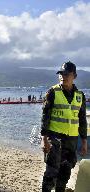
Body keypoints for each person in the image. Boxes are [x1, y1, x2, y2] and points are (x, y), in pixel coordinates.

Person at [41, 61, 88, 192]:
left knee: (65, 174)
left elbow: (82, 120)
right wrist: (44, 139)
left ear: (75, 76)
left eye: (67, 74)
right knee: (50, 174)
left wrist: (84, 141)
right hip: (54, 139)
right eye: (61, 74)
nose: (63, 76)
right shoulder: (52, 92)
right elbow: (45, 117)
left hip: (72, 141)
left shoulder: (80, 96)